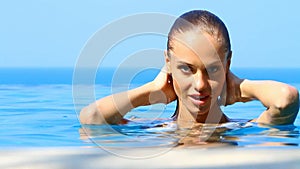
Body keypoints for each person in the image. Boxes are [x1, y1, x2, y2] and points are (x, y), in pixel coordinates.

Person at [79, 10, 299, 126]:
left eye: (212, 70)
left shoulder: (240, 130)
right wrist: (152, 91)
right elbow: (92, 118)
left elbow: (286, 99)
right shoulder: (154, 130)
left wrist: (239, 88)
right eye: (186, 69)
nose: (200, 84)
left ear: (227, 65)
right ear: (168, 63)